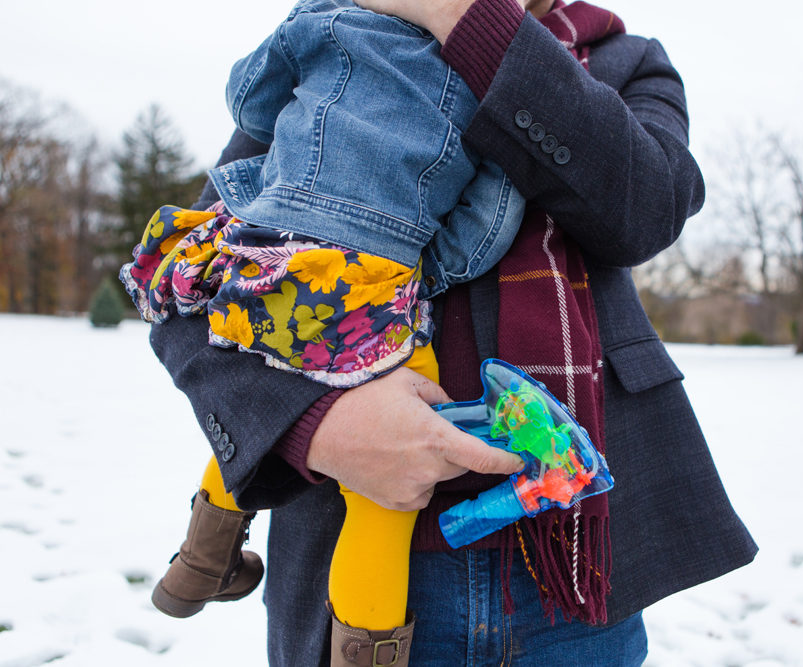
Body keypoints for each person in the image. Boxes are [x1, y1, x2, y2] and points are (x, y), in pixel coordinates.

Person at [147, 0, 759, 664]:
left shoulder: (624, 61)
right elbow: (198, 271)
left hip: (575, 566)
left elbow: (644, 210)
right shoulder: (344, 41)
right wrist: (320, 428)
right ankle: (208, 551)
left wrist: (467, 20)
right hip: (351, 533)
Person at [120, 0, 526, 652]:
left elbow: (251, 95)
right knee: (387, 501)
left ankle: (200, 563)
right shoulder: (487, 83)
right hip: (375, 288)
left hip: (269, 260)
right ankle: (363, 651)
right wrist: (430, 273)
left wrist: (281, 168)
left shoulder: (329, 17)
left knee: (267, 409)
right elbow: (492, 217)